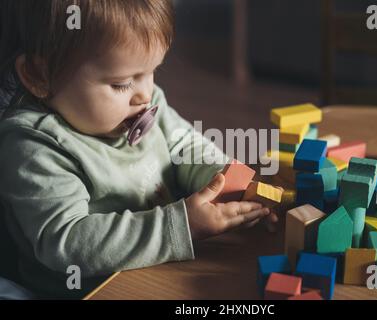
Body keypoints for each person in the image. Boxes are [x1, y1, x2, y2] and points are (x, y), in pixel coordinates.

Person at [0, 0, 277, 299]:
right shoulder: (35, 147)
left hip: (162, 262)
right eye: (121, 84)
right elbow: (66, 242)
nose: (145, 95)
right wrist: (180, 227)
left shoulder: (142, 101)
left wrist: (225, 180)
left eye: (152, 71)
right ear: (38, 75)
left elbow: (185, 146)